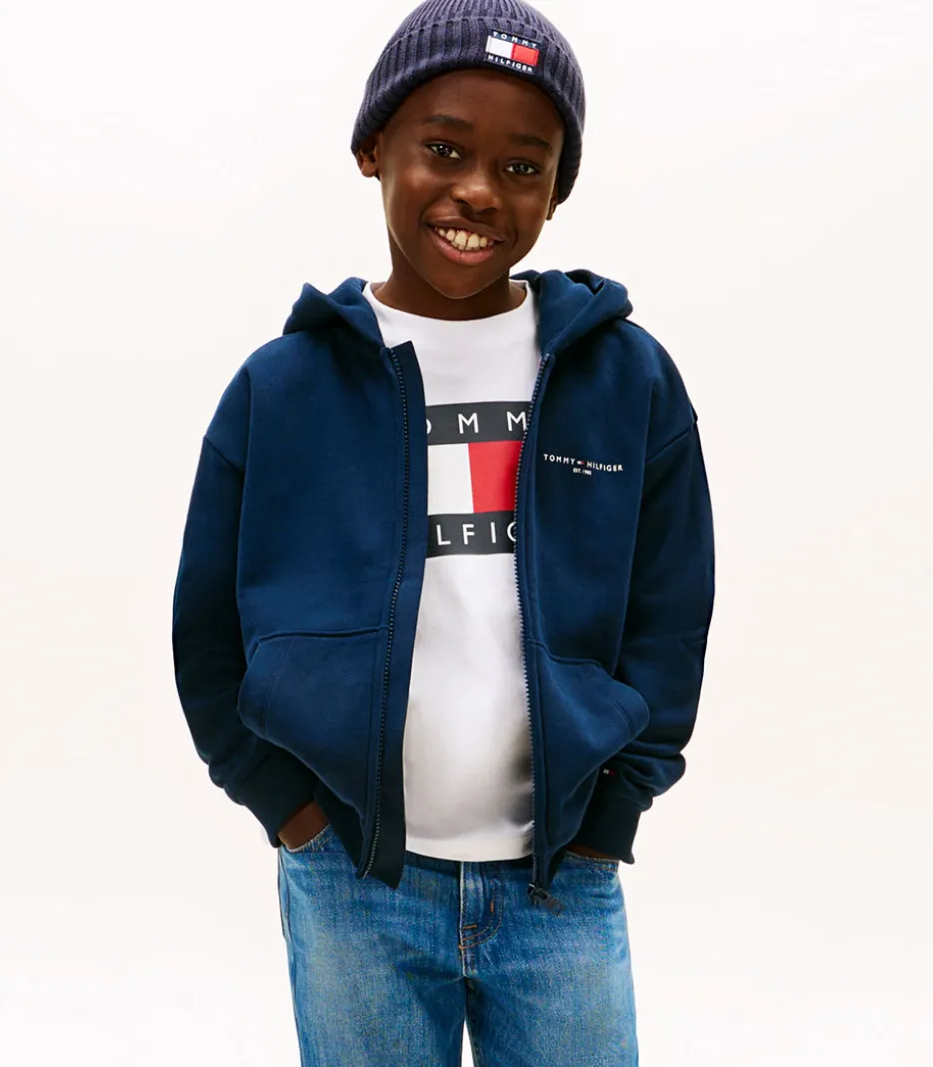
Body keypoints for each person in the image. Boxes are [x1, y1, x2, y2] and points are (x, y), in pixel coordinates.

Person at [171, 1, 715, 1063]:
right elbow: (205, 631)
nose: (478, 191)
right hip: (353, 879)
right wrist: (290, 810)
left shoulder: (627, 380)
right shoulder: (282, 390)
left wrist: (612, 816)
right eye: (445, 150)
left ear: (557, 189)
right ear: (374, 148)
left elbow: (670, 611)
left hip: (561, 880)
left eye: (522, 166)